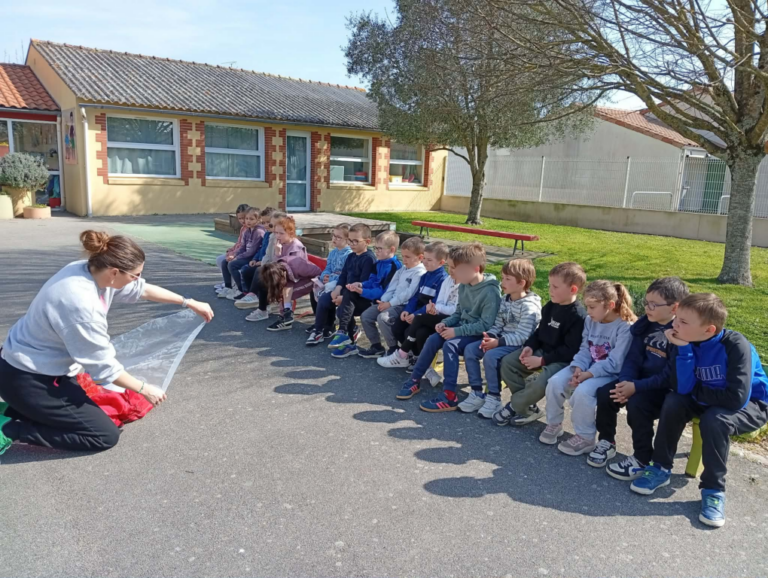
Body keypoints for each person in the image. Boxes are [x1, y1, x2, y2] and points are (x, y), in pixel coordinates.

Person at [0, 231, 214, 455]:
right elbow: (103, 367)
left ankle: (14, 410)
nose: (138, 279)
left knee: (90, 413)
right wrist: (145, 389)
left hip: (31, 367)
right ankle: (10, 430)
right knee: (102, 435)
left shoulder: (87, 270)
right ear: (114, 272)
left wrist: (188, 302)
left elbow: (142, 289)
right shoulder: (81, 307)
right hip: (28, 378)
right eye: (135, 275)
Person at [630, 293, 768, 528]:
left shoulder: (735, 346)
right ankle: (660, 467)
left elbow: (736, 399)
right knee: (674, 401)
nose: (675, 324)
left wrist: (695, 391)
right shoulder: (682, 340)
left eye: (683, 322)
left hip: (752, 404)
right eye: (676, 318)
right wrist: (683, 350)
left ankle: (714, 490)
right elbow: (681, 388)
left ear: (709, 330)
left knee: (715, 419)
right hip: (706, 396)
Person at [589, 277, 689, 475]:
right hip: (637, 381)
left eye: (654, 304)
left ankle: (642, 458)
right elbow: (633, 359)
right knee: (606, 393)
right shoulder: (645, 325)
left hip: (663, 389)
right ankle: (606, 441)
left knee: (637, 405)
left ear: (674, 307)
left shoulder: (680, 333)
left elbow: (669, 375)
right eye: (646, 302)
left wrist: (636, 388)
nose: (647, 308)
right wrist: (626, 382)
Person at [397, 243, 502, 413]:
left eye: (454, 268)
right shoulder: (465, 284)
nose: (451, 272)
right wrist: (446, 323)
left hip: (478, 334)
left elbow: (485, 325)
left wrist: (456, 331)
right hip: (462, 328)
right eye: (450, 267)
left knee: (450, 345)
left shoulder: (490, 292)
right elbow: (459, 313)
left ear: (475, 269)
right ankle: (415, 380)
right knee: (433, 339)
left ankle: (449, 395)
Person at [540, 280, 635, 455]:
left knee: (583, 392)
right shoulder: (591, 321)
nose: (588, 311)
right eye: (587, 306)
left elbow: (615, 362)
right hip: (586, 368)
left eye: (592, 307)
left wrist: (588, 374)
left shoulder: (624, 328)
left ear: (610, 305)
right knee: (555, 382)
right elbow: (585, 348)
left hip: (609, 374)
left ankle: (585, 438)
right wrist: (578, 367)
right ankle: (554, 424)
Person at [494, 262, 587, 427]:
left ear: (573, 289)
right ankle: (527, 408)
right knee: (508, 363)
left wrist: (542, 361)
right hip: (541, 351)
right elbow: (539, 332)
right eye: (550, 285)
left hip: (561, 360)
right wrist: (529, 347)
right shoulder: (550, 306)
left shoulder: (578, 316)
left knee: (541, 381)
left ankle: (514, 406)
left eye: (555, 287)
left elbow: (570, 350)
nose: (550, 290)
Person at [460, 258, 542, 418]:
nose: (502, 282)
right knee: (471, 349)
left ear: (521, 283)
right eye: (502, 277)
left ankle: (494, 397)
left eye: (507, 279)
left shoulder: (529, 306)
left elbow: (523, 336)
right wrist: (490, 336)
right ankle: (476, 393)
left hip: (518, 345)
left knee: (491, 356)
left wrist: (497, 342)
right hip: (501, 340)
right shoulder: (505, 299)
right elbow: (498, 324)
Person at [377, 242, 451, 370]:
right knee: (397, 326)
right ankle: (409, 355)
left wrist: (415, 314)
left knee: (411, 331)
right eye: (425, 258)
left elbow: (434, 303)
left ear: (441, 262)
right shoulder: (425, 276)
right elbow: (416, 296)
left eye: (429, 260)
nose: (425, 262)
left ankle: (416, 357)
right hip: (417, 312)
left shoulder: (442, 279)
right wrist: (407, 310)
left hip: (429, 315)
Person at [329, 230, 401, 358]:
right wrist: (360, 285)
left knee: (359, 312)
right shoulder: (378, 263)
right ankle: (349, 340)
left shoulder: (394, 267)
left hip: (386, 302)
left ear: (391, 249)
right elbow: (372, 281)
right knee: (344, 306)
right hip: (374, 299)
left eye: (379, 248)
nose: (376, 251)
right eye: (375, 248)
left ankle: (345, 333)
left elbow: (383, 290)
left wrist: (362, 291)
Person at [306, 224, 376, 347]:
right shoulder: (351, 256)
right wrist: (338, 288)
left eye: (355, 241)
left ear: (367, 242)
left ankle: (345, 334)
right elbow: (344, 275)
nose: (352, 244)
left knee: (341, 310)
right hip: (346, 290)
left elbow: (363, 283)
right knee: (324, 299)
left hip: (360, 296)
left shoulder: (368, 259)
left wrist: (344, 297)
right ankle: (318, 330)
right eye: (350, 240)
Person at [357, 236, 427, 359]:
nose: (404, 260)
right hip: (390, 302)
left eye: (407, 257)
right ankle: (376, 346)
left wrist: (389, 304)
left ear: (420, 257)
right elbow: (392, 286)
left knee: (383, 318)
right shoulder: (403, 269)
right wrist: (384, 300)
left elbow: (409, 293)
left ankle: (393, 348)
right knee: (366, 316)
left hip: (403, 305)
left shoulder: (419, 272)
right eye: (403, 256)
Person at [245, 216, 309, 325]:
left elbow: (291, 271)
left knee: (264, 274)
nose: (277, 236)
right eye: (276, 233)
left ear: (290, 233)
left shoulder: (296, 247)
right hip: (285, 275)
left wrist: (278, 255)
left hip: (297, 279)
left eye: (281, 233)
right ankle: (262, 306)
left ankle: (266, 308)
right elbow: (277, 265)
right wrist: (277, 254)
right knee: (262, 273)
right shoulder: (282, 243)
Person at [305, 224, 352, 337]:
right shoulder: (333, 252)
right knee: (314, 289)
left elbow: (345, 274)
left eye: (338, 237)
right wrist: (324, 276)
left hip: (340, 284)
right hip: (330, 280)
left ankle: (329, 324)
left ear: (347, 240)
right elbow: (328, 267)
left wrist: (331, 278)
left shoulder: (349, 255)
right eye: (333, 236)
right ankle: (319, 320)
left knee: (328, 294)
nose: (334, 239)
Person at [241, 211, 286, 319]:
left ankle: (261, 306)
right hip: (272, 266)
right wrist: (262, 263)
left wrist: (265, 265)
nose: (269, 227)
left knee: (261, 272)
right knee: (248, 271)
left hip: (284, 271)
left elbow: (284, 261)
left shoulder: (287, 239)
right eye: (271, 225)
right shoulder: (272, 236)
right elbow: (267, 254)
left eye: (271, 225)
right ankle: (257, 298)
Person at [219, 207, 265, 300]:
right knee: (225, 262)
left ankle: (242, 290)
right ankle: (228, 287)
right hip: (246, 255)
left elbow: (252, 251)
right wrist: (234, 255)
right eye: (246, 218)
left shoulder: (259, 232)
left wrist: (237, 258)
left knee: (232, 265)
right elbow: (242, 247)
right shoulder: (247, 230)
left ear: (258, 220)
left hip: (253, 257)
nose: (248, 221)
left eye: (251, 219)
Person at [236, 207, 276, 309]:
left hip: (270, 264)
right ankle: (250, 294)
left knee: (258, 270)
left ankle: (253, 294)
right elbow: (261, 249)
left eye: (268, 223)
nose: (265, 225)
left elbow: (272, 255)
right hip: (262, 261)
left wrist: (261, 262)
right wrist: (254, 259)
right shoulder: (267, 234)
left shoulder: (274, 236)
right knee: (246, 270)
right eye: (264, 223)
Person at [214, 203, 249, 294]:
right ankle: (228, 282)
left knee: (226, 261)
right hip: (238, 252)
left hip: (244, 254)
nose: (242, 221)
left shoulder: (251, 230)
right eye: (240, 218)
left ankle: (234, 285)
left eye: (244, 218)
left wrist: (234, 254)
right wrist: (231, 249)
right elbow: (239, 243)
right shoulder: (243, 228)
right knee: (220, 259)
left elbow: (245, 247)